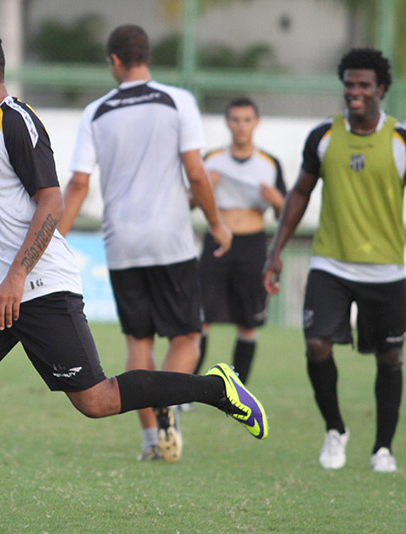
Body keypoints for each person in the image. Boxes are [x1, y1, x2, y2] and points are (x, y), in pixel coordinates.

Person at [0, 24, 266, 519]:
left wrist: (17, 276)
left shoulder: (18, 122)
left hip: (39, 286)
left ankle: (216, 389)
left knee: (96, 401)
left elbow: (51, 201)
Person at [58, 24, 232, 463]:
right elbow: (196, 173)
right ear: (146, 56)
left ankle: (152, 439)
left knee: (139, 338)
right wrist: (217, 223)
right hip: (170, 239)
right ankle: (168, 404)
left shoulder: (96, 112)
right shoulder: (178, 101)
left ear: (115, 60)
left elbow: (78, 184)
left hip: (121, 242)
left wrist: (52, 241)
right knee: (187, 335)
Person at [264, 48, 404, 474]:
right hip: (331, 264)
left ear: (381, 89)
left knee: (389, 357)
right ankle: (335, 430)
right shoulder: (323, 137)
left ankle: (383, 448)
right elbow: (300, 193)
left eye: (364, 85)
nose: (354, 91)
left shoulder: (400, 140)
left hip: (388, 269)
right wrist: (276, 251)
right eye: (348, 84)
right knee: (316, 344)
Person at [192, 97, 286, 383]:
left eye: (247, 120)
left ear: (256, 122)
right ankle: (188, 391)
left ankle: (238, 392)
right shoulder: (212, 159)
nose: (241, 126)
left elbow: (286, 212)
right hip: (217, 243)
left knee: (248, 322)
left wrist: (277, 200)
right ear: (227, 123)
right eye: (235, 120)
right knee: (200, 319)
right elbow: (190, 201)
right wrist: (205, 189)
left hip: (252, 245)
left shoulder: (269, 163)